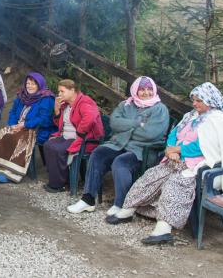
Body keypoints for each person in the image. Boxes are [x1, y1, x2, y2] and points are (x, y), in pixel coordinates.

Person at [109, 82, 223, 245]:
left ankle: (164, 228)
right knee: (151, 176)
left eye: (199, 101)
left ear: (209, 101)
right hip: (175, 159)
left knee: (175, 184)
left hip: (198, 165)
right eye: (193, 100)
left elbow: (205, 146)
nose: (194, 104)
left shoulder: (217, 120)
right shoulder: (191, 116)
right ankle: (128, 210)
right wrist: (170, 149)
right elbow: (174, 133)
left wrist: (179, 150)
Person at [67, 76, 170, 214]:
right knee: (98, 153)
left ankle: (121, 204)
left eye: (149, 89)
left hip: (142, 151)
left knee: (121, 162)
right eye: (142, 89)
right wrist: (136, 123)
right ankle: (88, 200)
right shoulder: (126, 105)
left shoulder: (160, 109)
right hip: (118, 144)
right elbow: (114, 123)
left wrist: (125, 127)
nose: (146, 92)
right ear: (135, 90)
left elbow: (151, 133)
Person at [0, 72, 56, 183]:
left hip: (38, 130)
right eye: (28, 83)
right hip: (19, 126)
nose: (29, 86)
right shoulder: (21, 96)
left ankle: (11, 173)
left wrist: (25, 124)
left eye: (33, 84)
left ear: (39, 85)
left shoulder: (46, 98)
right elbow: (13, 112)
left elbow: (44, 119)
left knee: (19, 139)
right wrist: (13, 125)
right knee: (3, 133)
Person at [43, 79, 103, 192]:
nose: (59, 94)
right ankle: (58, 180)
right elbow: (59, 124)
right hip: (66, 136)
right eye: (58, 91)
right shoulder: (65, 105)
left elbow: (90, 117)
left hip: (84, 139)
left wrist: (79, 133)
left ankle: (62, 184)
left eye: (62, 91)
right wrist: (56, 110)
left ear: (72, 90)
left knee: (58, 149)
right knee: (48, 145)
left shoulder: (84, 102)